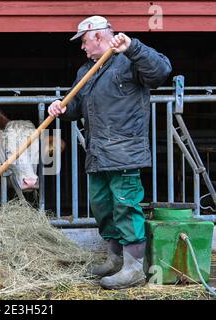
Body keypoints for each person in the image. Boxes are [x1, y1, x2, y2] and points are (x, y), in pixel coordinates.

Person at [48, 16, 172, 289]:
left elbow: (161, 71)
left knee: (125, 206)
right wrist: (62, 108)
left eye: (83, 40)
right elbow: (76, 105)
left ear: (98, 36)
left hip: (125, 151)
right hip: (97, 153)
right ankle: (114, 260)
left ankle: (134, 268)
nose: (81, 46)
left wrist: (133, 47)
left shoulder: (129, 61)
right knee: (102, 207)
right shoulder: (86, 72)